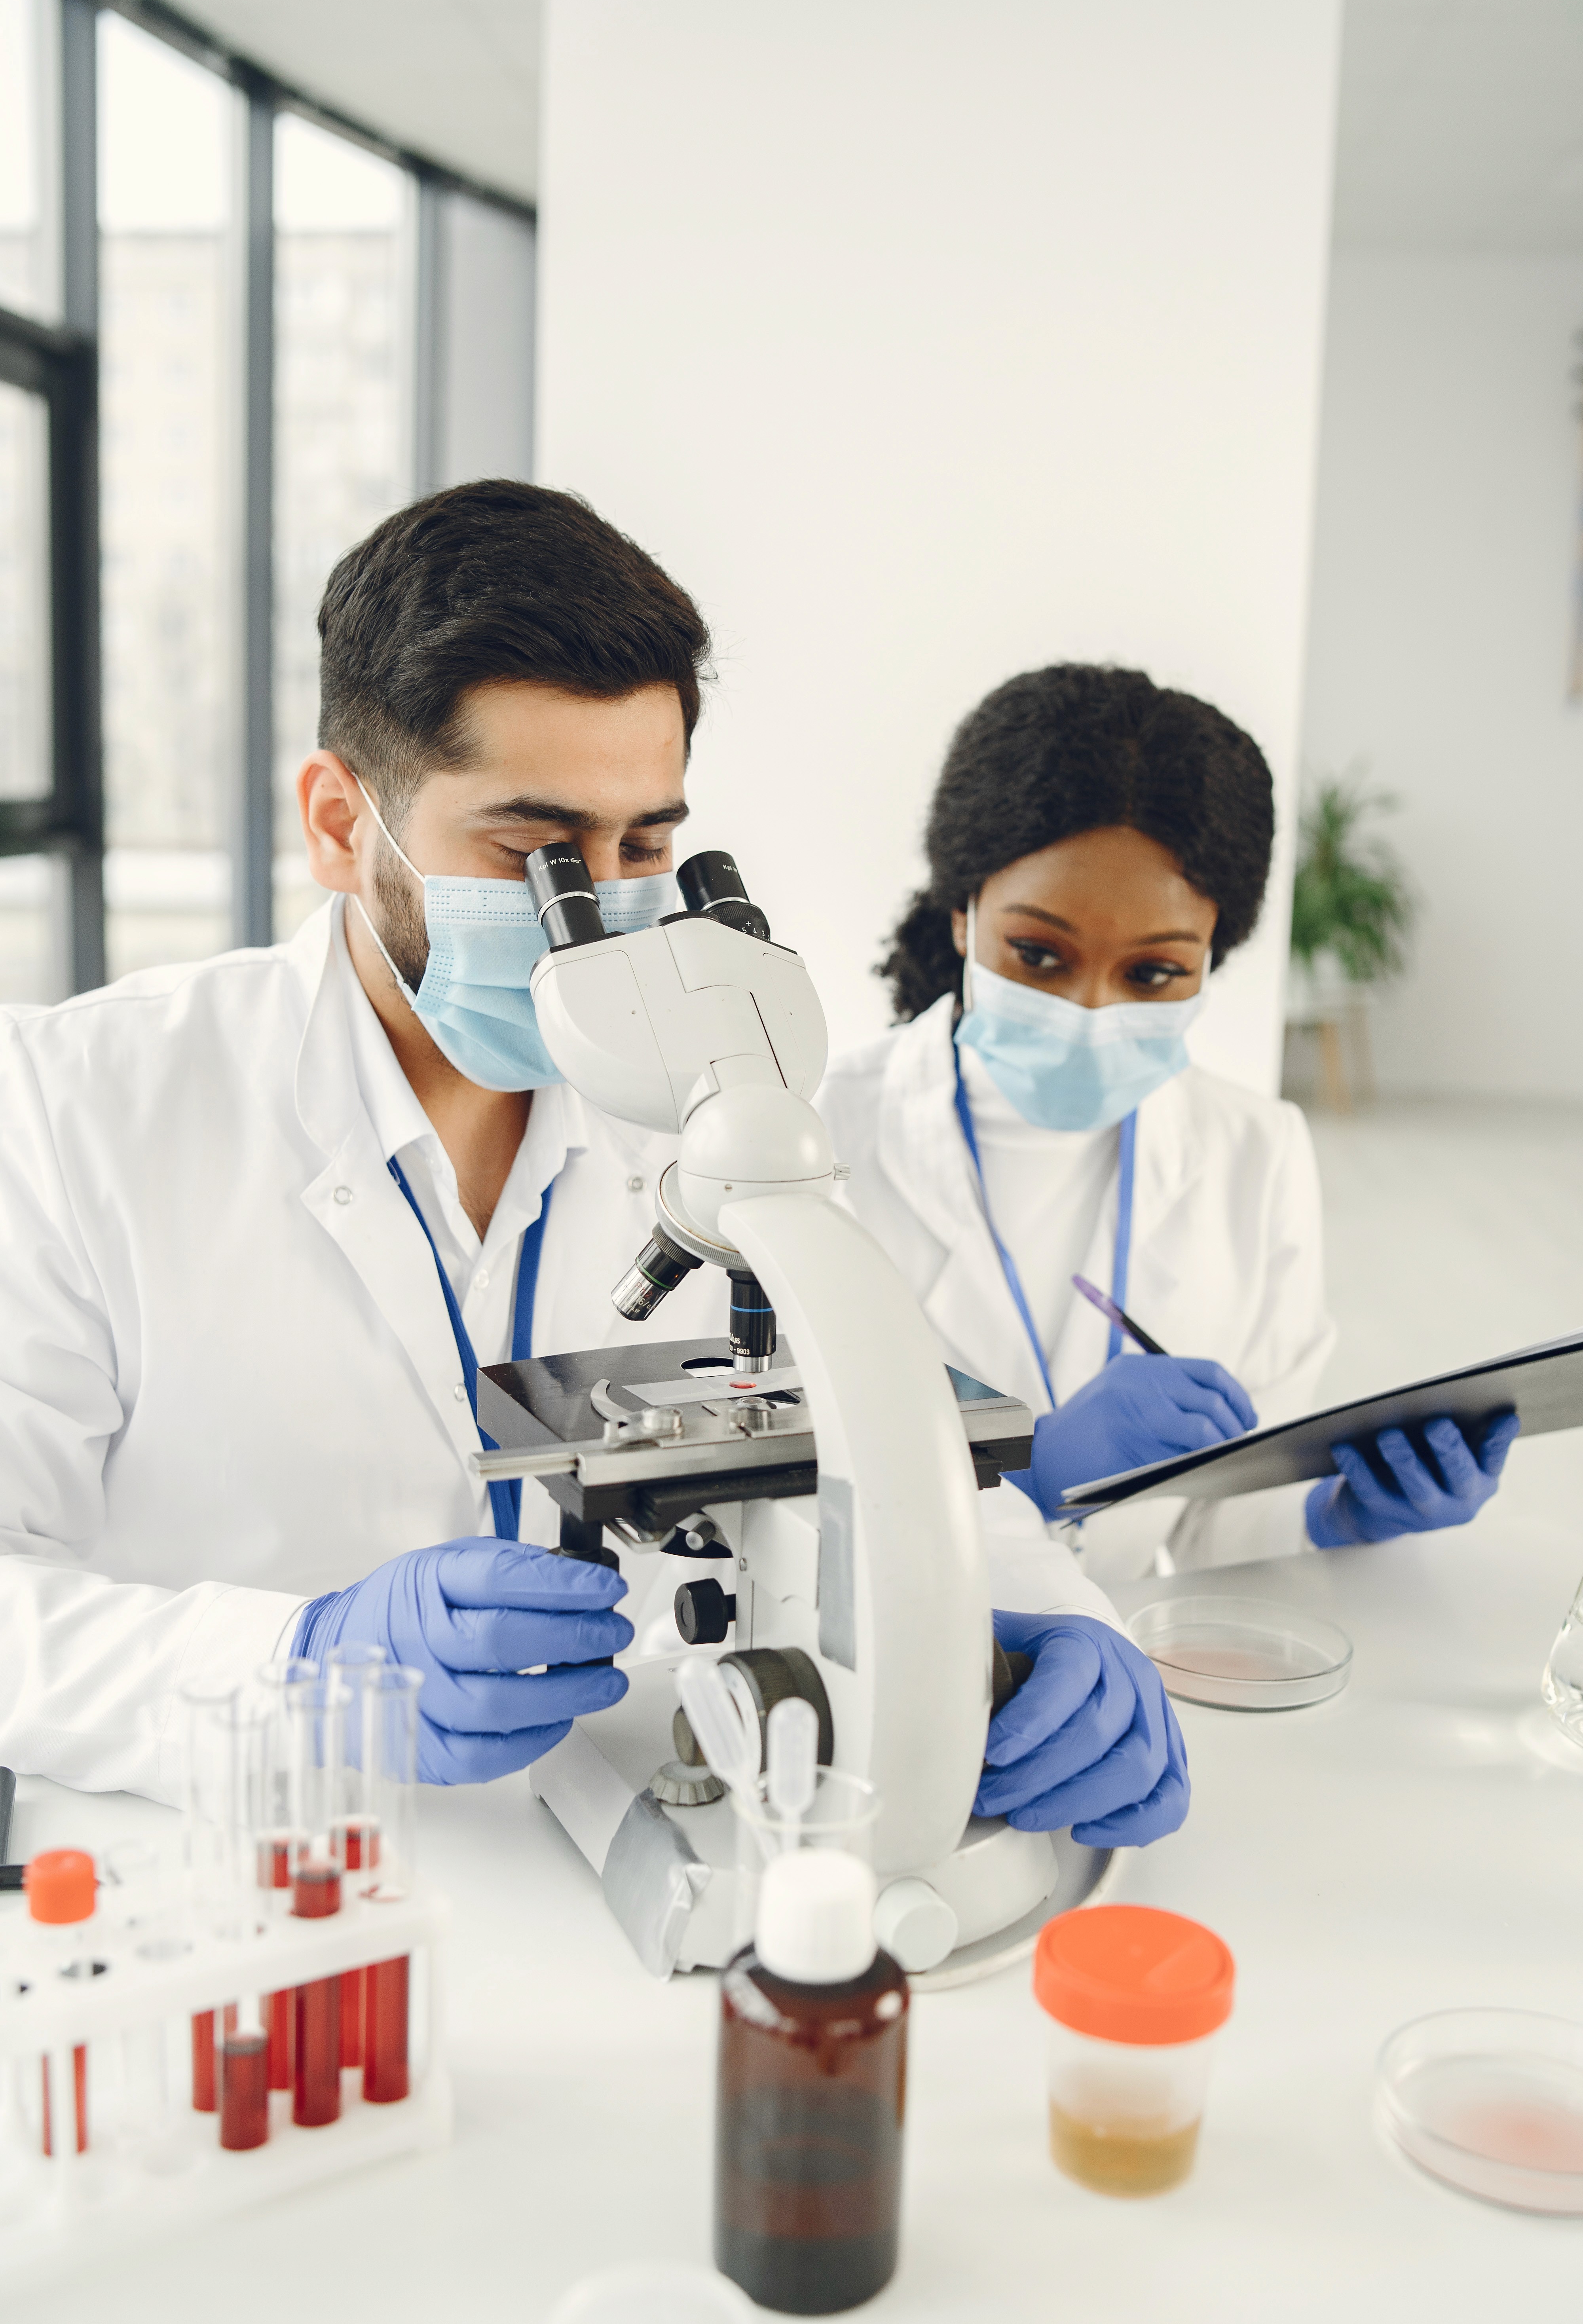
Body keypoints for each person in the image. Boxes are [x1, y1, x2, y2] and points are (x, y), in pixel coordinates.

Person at [0, 489, 1184, 1849]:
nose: (607, 910)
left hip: (640, 1830)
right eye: (534, 851)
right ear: (341, 823)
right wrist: (305, 1670)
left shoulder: (714, 1094)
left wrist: (1048, 1627)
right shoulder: (77, 1105)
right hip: (250, 1866)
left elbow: (887, 1420)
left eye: (647, 847)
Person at [818, 664, 1517, 1597]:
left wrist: (1331, 1513)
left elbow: (1215, 1519)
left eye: (1150, 975)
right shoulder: (809, 1137)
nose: (1088, 1008)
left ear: (1210, 959)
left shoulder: (1255, 1154)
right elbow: (766, 1509)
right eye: (1037, 955)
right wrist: (1024, 1474)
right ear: (961, 911)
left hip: (1136, 1673)